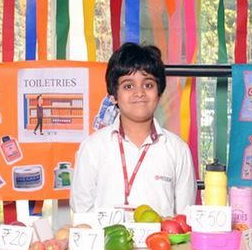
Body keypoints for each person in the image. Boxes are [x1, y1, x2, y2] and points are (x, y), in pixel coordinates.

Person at [71, 42, 196, 217]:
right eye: (128, 86)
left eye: (148, 85)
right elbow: (82, 213)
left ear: (160, 94)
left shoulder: (178, 150)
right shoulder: (92, 148)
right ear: (113, 96)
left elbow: (184, 217)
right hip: (107, 243)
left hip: (160, 244)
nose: (139, 93)